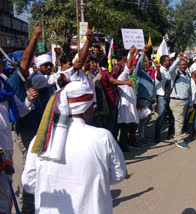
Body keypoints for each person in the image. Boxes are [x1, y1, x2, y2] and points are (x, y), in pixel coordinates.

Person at [22, 81, 126, 214]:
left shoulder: (41, 139)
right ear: (86, 109)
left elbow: (29, 183)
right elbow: (119, 175)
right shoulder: (102, 137)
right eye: (92, 105)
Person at [0, 58, 39, 214]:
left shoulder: (4, 82)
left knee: (4, 195)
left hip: (5, 145)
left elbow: (20, 110)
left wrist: (29, 99)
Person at [99, 55, 135, 139]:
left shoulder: (101, 73)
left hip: (111, 103)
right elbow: (112, 80)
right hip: (111, 103)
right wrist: (126, 83)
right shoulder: (106, 74)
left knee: (113, 126)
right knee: (111, 127)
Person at [117, 46, 142, 152]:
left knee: (132, 126)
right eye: (129, 68)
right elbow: (127, 69)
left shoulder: (128, 79)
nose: (131, 69)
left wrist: (135, 55)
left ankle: (131, 142)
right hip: (125, 108)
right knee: (124, 128)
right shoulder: (121, 78)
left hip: (131, 107)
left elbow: (130, 67)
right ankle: (123, 146)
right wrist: (131, 55)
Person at [169, 52, 193, 149]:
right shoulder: (175, 74)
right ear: (178, 65)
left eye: (185, 64)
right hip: (176, 101)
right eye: (181, 64)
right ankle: (179, 140)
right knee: (179, 121)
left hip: (185, 101)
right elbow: (171, 69)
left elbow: (189, 91)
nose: (183, 66)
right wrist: (178, 58)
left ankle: (177, 135)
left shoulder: (187, 75)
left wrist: (190, 103)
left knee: (181, 121)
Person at [154, 55, 180, 143]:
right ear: (164, 62)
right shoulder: (160, 70)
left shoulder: (169, 70)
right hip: (162, 96)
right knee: (161, 116)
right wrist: (157, 69)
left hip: (170, 96)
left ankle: (170, 133)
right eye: (168, 60)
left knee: (172, 115)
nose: (170, 61)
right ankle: (157, 136)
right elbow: (159, 78)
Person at [134, 45, 155, 144]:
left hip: (149, 100)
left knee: (146, 120)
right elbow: (139, 64)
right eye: (144, 62)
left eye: (147, 61)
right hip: (143, 100)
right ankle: (139, 138)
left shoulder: (146, 73)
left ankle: (142, 136)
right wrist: (143, 53)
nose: (146, 63)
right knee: (141, 121)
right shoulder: (137, 73)